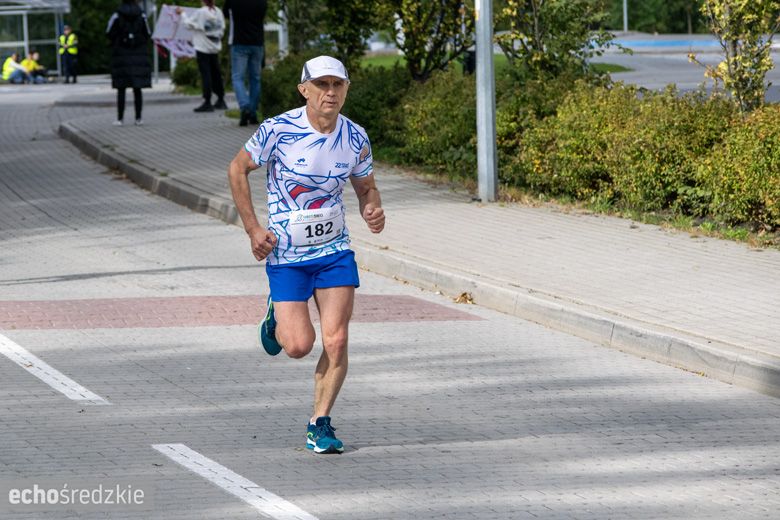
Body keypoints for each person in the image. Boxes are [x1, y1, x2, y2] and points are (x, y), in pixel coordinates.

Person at [227, 56, 385, 454]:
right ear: (305, 90)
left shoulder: (355, 136)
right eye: (322, 85)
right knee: (298, 345)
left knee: (337, 339)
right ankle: (275, 314)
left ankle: (321, 423)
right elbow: (236, 169)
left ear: (347, 88)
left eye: (338, 84)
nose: (330, 92)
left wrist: (372, 208)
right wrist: (252, 229)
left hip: (334, 251)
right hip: (286, 253)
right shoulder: (278, 130)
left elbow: (366, 187)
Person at [106, 0, 152, 126]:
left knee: (121, 88)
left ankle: (120, 118)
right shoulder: (142, 15)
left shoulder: (117, 14)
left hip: (121, 54)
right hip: (139, 54)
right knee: (137, 88)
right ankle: (138, 118)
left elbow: (109, 32)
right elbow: (148, 33)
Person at [223, 0, 267, 126]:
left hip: (239, 43)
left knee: (238, 77)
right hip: (257, 43)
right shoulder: (262, 2)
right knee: (255, 79)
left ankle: (244, 107)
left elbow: (226, 13)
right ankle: (253, 113)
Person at [177, 1, 227, 112]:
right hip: (214, 47)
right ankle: (221, 99)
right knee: (216, 74)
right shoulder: (218, 11)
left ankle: (207, 101)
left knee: (206, 75)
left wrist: (182, 13)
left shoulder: (201, 12)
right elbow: (222, 28)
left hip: (202, 48)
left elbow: (187, 24)